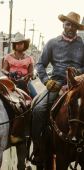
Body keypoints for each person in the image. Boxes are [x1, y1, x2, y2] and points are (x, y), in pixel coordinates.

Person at [32, 12, 84, 165]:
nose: (70, 28)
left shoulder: (83, 45)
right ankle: (38, 148)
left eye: (74, 25)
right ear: (63, 25)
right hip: (56, 84)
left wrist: (80, 76)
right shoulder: (52, 43)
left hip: (79, 85)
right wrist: (46, 81)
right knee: (37, 109)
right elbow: (40, 64)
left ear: (77, 28)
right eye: (68, 24)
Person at [1, 33, 37, 98]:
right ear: (14, 45)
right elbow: (3, 69)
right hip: (10, 80)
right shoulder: (8, 57)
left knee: (35, 97)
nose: (19, 45)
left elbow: (31, 73)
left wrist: (27, 76)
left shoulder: (29, 58)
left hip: (25, 82)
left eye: (21, 43)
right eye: (17, 43)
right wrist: (10, 74)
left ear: (24, 44)